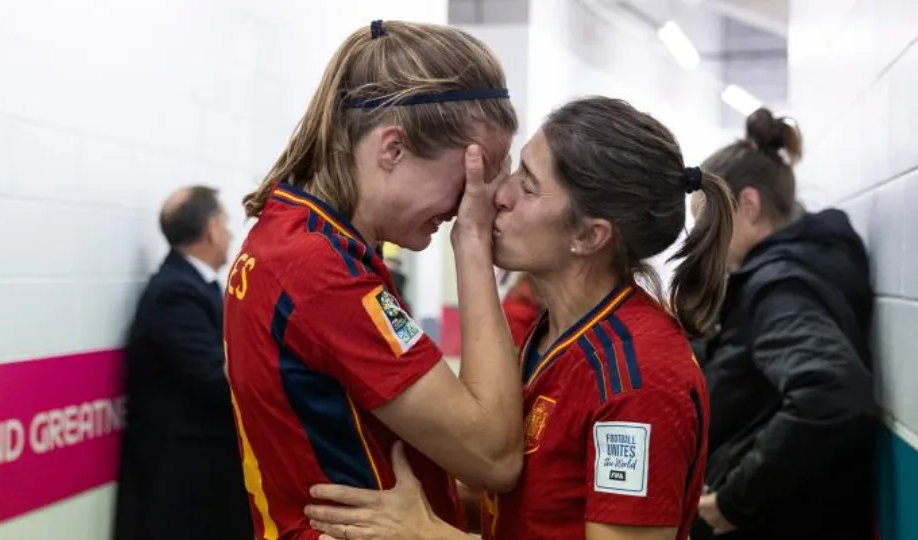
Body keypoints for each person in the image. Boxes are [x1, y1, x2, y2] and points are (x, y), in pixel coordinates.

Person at [304, 96, 736, 540]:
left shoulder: (640, 377)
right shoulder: (552, 335)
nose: (501, 194)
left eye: (528, 187)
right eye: (515, 171)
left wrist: (425, 534)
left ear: (589, 235)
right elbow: (537, 507)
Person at [222, 20, 523, 539]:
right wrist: (472, 247)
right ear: (392, 150)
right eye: (469, 179)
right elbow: (493, 456)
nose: (464, 206)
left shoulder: (296, 234)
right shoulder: (319, 270)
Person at [689, 109, 875, 540]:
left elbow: (832, 390)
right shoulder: (806, 265)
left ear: (749, 206)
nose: (702, 240)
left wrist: (734, 501)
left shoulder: (779, 286)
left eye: (707, 222)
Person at [116, 186, 251, 540]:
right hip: (184, 480)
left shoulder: (197, 286)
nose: (231, 232)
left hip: (202, 473)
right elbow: (216, 379)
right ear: (210, 229)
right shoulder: (175, 293)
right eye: (225, 222)